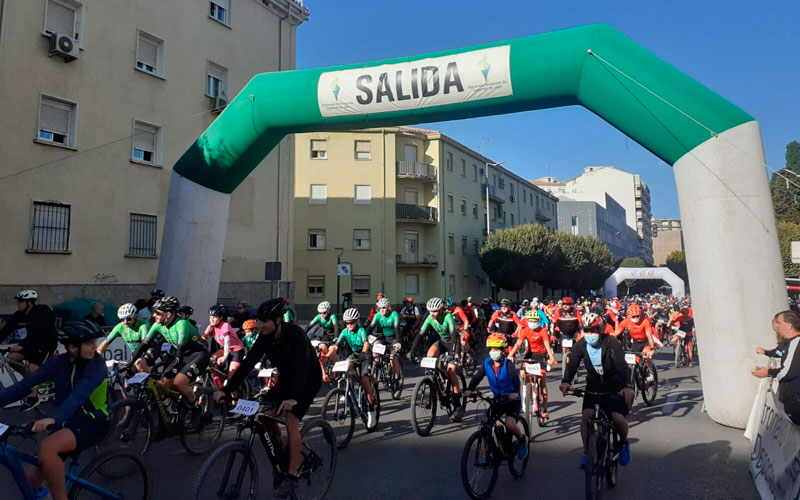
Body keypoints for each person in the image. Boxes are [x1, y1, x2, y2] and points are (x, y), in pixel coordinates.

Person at [219, 298, 322, 499]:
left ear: (277, 320)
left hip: (307, 380)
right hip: (286, 379)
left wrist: (294, 399)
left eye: (263, 321)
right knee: (265, 415)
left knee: (291, 419)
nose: (258, 325)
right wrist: (227, 389)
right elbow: (248, 363)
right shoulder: (265, 337)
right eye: (258, 320)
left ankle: (291, 475)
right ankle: (283, 450)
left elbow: (302, 368)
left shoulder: (296, 335)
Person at [0, 320, 109, 500]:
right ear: (73, 348)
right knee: (30, 480)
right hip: (66, 421)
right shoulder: (56, 363)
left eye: (94, 342)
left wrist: (53, 418)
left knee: (48, 449)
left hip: (93, 421)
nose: (95, 347)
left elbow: (78, 396)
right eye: (89, 343)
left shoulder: (96, 366)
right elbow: (24, 386)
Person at [560, 313, 634, 468]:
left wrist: (626, 385)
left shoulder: (611, 342)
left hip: (615, 384)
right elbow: (572, 363)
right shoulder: (581, 344)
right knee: (586, 416)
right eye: (586, 331)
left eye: (593, 330)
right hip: (594, 385)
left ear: (600, 329)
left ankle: (624, 443)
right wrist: (566, 381)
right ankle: (587, 453)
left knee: (617, 417)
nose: (589, 334)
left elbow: (621, 364)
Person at [130, 297, 209, 410]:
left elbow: (181, 349)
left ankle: (196, 408)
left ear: (167, 314)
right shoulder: (158, 325)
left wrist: (174, 368)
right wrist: (130, 364)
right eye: (153, 312)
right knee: (160, 388)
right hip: (182, 355)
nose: (153, 315)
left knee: (178, 382)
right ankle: (171, 410)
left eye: (157, 313)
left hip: (198, 354)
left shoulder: (182, 324)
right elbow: (144, 345)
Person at [465, 333, 528, 459]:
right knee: (487, 424)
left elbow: (515, 379)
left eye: (497, 349)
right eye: (491, 349)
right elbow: (478, 376)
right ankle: (488, 452)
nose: (494, 352)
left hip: (512, 400)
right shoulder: (487, 363)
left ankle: (521, 440)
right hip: (498, 400)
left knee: (509, 423)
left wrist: (514, 393)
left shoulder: (507, 364)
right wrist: (469, 390)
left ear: (503, 350)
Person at [413, 297, 465, 421]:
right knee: (430, 355)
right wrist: (411, 351)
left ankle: (457, 403)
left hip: (453, 343)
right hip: (442, 342)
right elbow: (420, 334)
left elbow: (453, 335)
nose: (432, 314)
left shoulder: (448, 317)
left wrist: (452, 354)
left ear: (441, 310)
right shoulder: (430, 318)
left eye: (435, 311)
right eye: (430, 311)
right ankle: (435, 380)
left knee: (451, 370)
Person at [328, 307, 376, 427]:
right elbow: (336, 345)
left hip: (365, 355)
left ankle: (371, 410)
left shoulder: (361, 331)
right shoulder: (344, 332)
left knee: (364, 380)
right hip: (354, 355)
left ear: (357, 321)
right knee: (347, 368)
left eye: (352, 322)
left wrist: (364, 353)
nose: (349, 325)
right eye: (347, 323)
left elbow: (365, 343)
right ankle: (349, 391)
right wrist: (327, 356)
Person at [507, 309, 557, 420]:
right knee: (522, 373)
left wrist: (551, 358)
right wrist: (510, 355)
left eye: (535, 320)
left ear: (538, 321)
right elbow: (518, 344)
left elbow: (547, 344)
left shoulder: (543, 330)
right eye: (530, 320)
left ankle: (544, 408)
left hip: (541, 354)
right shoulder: (525, 331)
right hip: (530, 354)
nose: (532, 322)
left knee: (541, 380)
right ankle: (526, 390)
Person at [753, 310, 800, 425]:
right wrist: (766, 353)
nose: (775, 326)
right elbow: (780, 353)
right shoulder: (789, 342)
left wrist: (769, 372)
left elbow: (787, 371)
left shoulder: (796, 343)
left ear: (789, 326)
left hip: (796, 396)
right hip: (791, 395)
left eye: (778, 322)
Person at [0, 290, 58, 377]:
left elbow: (42, 335)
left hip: (46, 344)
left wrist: (22, 347)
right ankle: (28, 380)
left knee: (32, 368)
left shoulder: (42, 312)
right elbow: (6, 330)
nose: (17, 304)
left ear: (29, 302)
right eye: (17, 301)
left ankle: (34, 382)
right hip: (31, 342)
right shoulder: (19, 315)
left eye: (21, 301)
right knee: (10, 358)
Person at [368, 297, 403, 399]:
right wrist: (363, 336)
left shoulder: (394, 315)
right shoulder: (378, 315)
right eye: (380, 308)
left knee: (393, 358)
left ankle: (397, 380)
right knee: (375, 347)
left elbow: (396, 329)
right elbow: (371, 326)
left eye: (384, 308)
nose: (382, 310)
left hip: (394, 339)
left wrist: (398, 343)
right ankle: (377, 367)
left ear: (388, 308)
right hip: (383, 338)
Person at [203, 304, 246, 380]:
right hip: (225, 349)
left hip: (237, 351)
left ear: (221, 318)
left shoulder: (225, 325)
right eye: (210, 317)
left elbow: (227, 341)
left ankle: (233, 390)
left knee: (230, 377)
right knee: (209, 363)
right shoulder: (211, 327)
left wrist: (225, 356)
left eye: (215, 317)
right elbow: (202, 339)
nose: (212, 319)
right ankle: (218, 383)